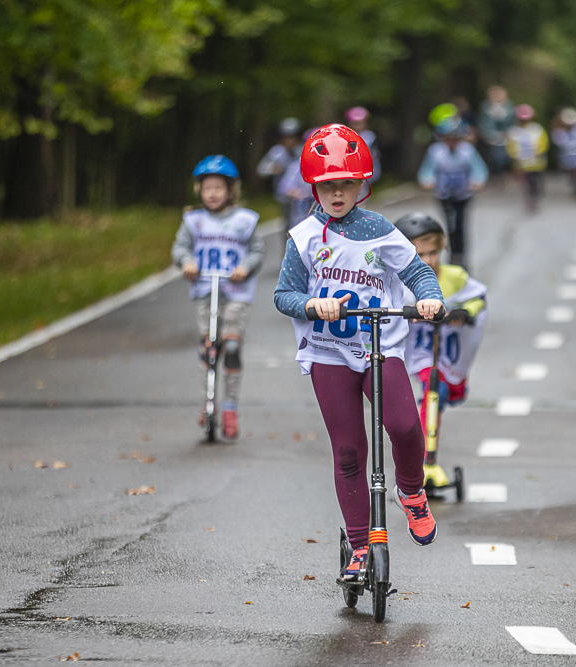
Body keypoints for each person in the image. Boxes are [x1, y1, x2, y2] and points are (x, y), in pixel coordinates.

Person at [273, 124, 445, 581]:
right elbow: (283, 295)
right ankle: (358, 546)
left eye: (346, 184)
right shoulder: (304, 237)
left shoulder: (379, 230)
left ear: (361, 184)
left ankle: (411, 492)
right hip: (328, 351)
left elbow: (417, 272)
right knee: (349, 451)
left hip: (377, 348)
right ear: (314, 186)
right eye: (328, 185)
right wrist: (312, 304)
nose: (337, 193)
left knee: (406, 426)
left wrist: (429, 297)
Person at [172, 155, 265, 439]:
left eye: (218, 187)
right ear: (199, 190)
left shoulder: (244, 220)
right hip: (205, 291)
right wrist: (187, 262)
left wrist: (245, 268)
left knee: (232, 348)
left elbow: (257, 251)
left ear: (230, 190)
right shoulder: (193, 220)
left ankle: (230, 407)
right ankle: (208, 401)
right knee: (209, 350)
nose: (212, 193)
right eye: (207, 187)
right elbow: (180, 248)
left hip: (235, 292)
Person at [396, 213, 488, 442]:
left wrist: (465, 313)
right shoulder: (398, 281)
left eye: (433, 253)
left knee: (450, 393)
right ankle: (425, 452)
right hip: (423, 348)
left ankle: (434, 405)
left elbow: (478, 298)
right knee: (434, 388)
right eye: (419, 255)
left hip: (450, 345)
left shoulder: (454, 276)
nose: (428, 261)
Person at [417, 116, 488, 268]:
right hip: (444, 195)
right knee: (450, 226)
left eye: (455, 137)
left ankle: (461, 256)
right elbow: (427, 170)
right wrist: (427, 181)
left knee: (461, 225)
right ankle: (451, 255)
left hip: (463, 195)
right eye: (449, 137)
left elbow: (479, 169)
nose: (452, 141)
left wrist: (478, 181)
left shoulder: (467, 151)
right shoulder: (436, 152)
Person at [257, 118, 302, 228]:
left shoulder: (301, 150)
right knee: (288, 224)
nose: (290, 141)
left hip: (301, 194)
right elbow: (261, 170)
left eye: (293, 137)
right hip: (284, 195)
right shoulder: (277, 152)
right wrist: (272, 170)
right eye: (287, 137)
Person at [506, 103, 549, 212]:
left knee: (536, 181)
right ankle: (530, 201)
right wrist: (514, 156)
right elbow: (510, 146)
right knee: (527, 183)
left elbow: (544, 142)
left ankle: (536, 196)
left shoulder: (537, 129)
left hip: (536, 163)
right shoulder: (513, 131)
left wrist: (539, 152)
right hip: (522, 163)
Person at [552, 107, 576, 199]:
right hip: (567, 156)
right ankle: (575, 186)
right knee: (571, 173)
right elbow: (559, 142)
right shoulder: (559, 131)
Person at [477, 85, 515, 175]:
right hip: (491, 137)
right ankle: (494, 175)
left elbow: (512, 121)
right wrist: (487, 134)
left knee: (506, 157)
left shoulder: (509, 105)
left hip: (506, 136)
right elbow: (483, 122)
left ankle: (506, 173)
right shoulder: (485, 106)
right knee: (493, 158)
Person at [344, 106, 381, 184]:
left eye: (361, 123)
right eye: (356, 124)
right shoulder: (346, 137)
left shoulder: (369, 137)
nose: (358, 126)